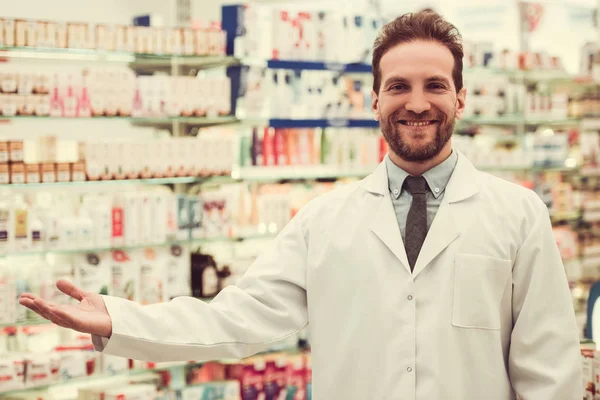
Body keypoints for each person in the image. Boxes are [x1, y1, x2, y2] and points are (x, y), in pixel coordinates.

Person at [20, 11, 582, 400]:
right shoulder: (325, 220)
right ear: (374, 99)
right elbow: (234, 320)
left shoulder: (517, 215)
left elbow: (548, 371)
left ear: (461, 96)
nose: (417, 103)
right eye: (397, 86)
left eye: (435, 85)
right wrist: (121, 319)